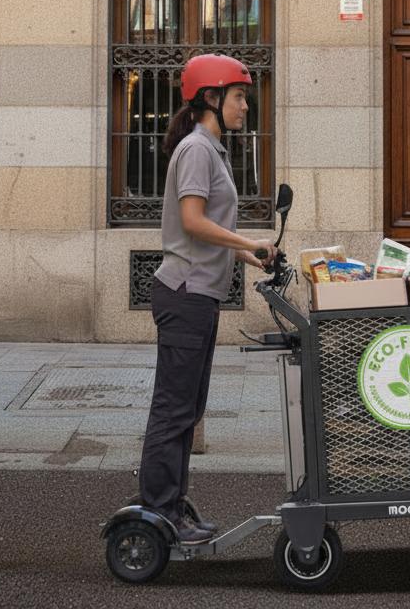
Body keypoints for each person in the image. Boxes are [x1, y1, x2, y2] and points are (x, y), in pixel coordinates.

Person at [137, 53, 278, 543]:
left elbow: (205, 232)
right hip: (186, 295)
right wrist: (249, 242)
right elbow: (193, 222)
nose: (245, 107)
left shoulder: (211, 150)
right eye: (240, 97)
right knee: (174, 410)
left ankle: (171, 507)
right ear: (212, 99)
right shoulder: (198, 149)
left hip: (198, 295)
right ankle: (159, 510)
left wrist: (250, 256)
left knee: (186, 410)